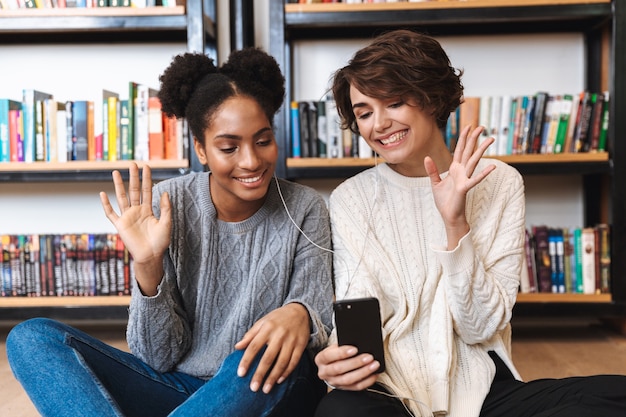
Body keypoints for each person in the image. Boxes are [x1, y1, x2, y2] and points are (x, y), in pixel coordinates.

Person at [313, 29, 626, 417]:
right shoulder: (351, 198)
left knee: (616, 395)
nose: (378, 124)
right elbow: (358, 306)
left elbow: (480, 327)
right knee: (338, 411)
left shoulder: (500, 182)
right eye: (363, 113)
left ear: (431, 98)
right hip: (391, 388)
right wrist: (337, 359)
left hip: (482, 387)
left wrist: (454, 222)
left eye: (393, 103)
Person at [7, 47, 333, 417]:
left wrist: (299, 313)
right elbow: (157, 357)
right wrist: (147, 265)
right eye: (229, 147)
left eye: (262, 140)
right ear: (201, 149)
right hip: (179, 390)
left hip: (263, 388)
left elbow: (317, 319)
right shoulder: (167, 205)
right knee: (31, 339)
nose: (251, 161)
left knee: (262, 352)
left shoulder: (306, 207)